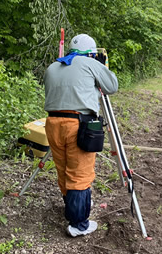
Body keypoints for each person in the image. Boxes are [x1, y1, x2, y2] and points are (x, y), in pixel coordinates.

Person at [43, 34, 118, 237]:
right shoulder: (89, 63)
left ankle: (73, 206)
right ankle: (78, 224)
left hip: (52, 123)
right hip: (78, 124)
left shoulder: (52, 67)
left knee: (63, 169)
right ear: (91, 52)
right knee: (79, 175)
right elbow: (112, 86)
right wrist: (101, 67)